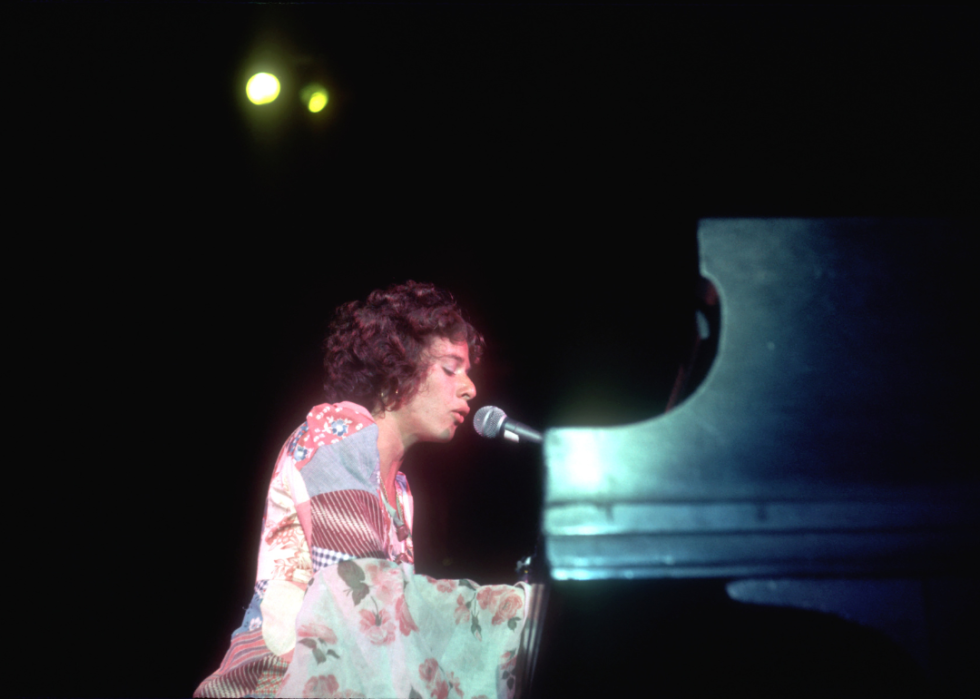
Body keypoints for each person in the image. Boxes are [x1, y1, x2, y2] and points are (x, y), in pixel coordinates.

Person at [195, 281, 533, 699]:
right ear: (398, 370)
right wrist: (516, 611)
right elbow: (362, 595)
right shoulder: (336, 428)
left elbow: (388, 631)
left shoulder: (401, 492)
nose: (470, 388)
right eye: (451, 368)